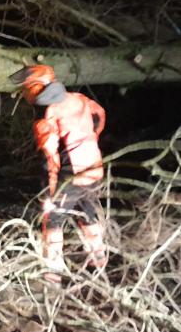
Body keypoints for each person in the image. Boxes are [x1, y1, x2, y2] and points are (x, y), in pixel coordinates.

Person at [10, 64, 108, 281]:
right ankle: (98, 257)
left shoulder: (46, 114)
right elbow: (99, 116)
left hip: (70, 174)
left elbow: (49, 157)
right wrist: (89, 141)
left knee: (53, 218)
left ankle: (52, 269)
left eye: (25, 89)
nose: (23, 94)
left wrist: (49, 193)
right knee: (87, 209)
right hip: (94, 167)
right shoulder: (78, 98)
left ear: (36, 88)